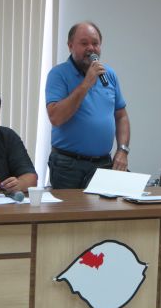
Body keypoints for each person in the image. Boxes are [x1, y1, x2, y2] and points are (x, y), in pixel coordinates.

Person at [45, 21, 130, 189]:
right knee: (69, 207)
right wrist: (86, 83)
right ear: (70, 46)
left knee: (103, 207)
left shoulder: (109, 74)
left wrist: (122, 150)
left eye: (95, 43)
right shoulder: (58, 74)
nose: (91, 48)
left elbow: (121, 116)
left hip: (103, 163)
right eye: (84, 43)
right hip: (68, 165)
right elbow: (56, 117)